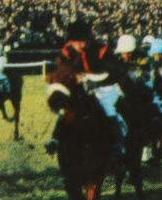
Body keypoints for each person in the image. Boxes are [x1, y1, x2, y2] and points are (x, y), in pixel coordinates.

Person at [52, 20, 127, 150]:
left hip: (104, 86)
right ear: (71, 41)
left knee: (107, 107)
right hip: (81, 87)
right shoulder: (66, 52)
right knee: (66, 108)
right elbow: (62, 70)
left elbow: (115, 71)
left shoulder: (102, 49)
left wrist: (96, 81)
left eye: (84, 41)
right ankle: (55, 138)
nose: (81, 45)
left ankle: (118, 143)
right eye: (77, 42)